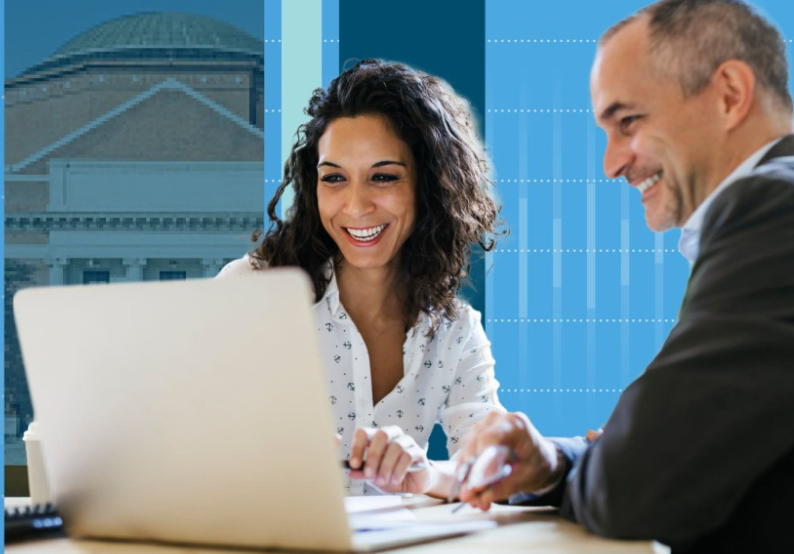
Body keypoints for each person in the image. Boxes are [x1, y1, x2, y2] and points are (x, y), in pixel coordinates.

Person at [457, 0, 794, 551]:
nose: (611, 164)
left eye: (629, 122)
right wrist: (555, 461)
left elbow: (639, 485)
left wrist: (585, 468)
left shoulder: (773, 206)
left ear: (730, 94)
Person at [219, 59, 505, 497]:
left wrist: (426, 473)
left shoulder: (456, 333)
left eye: (383, 177)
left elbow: (492, 473)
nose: (354, 206)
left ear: (428, 187)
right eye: (334, 178)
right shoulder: (253, 290)